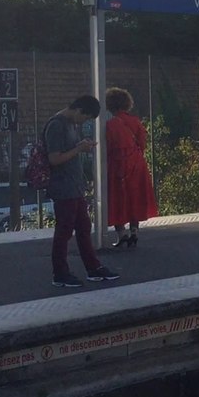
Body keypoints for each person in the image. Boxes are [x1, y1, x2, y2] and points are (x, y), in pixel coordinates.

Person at [46, 95, 119, 288]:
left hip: (75, 185)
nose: (83, 122)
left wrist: (81, 147)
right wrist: (79, 149)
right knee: (64, 231)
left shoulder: (71, 125)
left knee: (84, 228)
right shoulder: (56, 125)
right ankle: (60, 273)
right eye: (85, 118)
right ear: (78, 110)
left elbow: (69, 151)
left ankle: (93, 267)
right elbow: (54, 159)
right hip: (63, 187)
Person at [104, 87, 158, 248]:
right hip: (137, 164)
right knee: (135, 196)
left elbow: (108, 147)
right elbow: (142, 143)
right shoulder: (135, 121)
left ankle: (122, 235)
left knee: (117, 199)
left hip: (117, 164)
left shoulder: (109, 124)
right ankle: (134, 231)